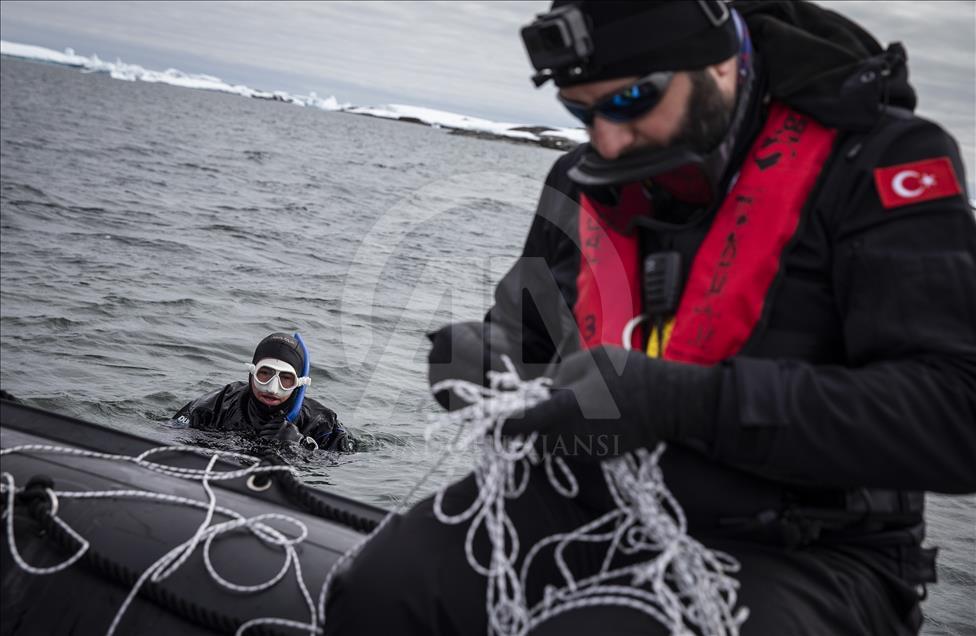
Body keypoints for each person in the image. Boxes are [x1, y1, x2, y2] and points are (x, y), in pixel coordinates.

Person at [326, 1, 975, 634]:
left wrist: (686, 404)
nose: (606, 137)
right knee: (381, 590)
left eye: (632, 101)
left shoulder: (885, 162)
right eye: (581, 111)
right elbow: (524, 338)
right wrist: (478, 357)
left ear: (719, 66)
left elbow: (955, 415)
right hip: (585, 502)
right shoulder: (581, 178)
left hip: (806, 550)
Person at [172, 332, 353, 452]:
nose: (272, 389)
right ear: (252, 373)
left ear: (298, 383)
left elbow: (343, 466)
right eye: (264, 374)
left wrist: (299, 445)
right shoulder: (217, 404)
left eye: (285, 378)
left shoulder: (322, 424)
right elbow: (171, 437)